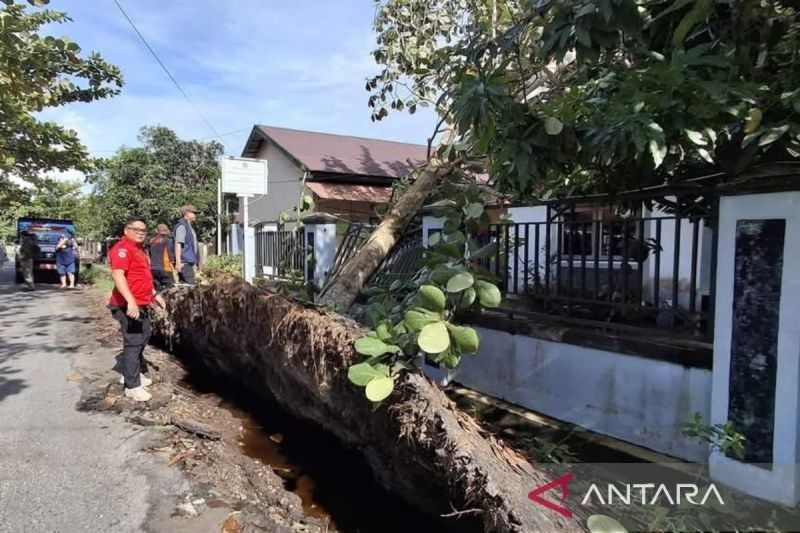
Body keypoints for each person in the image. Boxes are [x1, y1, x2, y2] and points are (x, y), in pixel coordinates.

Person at [108, 215, 164, 402]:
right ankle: (131, 386)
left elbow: (143, 276)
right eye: (136, 229)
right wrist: (130, 301)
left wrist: (155, 295)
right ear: (126, 230)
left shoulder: (139, 250)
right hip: (127, 305)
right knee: (133, 342)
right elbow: (118, 276)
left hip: (142, 302)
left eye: (143, 230)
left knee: (144, 337)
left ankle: (131, 373)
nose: (140, 233)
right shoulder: (122, 249)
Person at [174, 204, 199, 286]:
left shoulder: (188, 226)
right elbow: (178, 244)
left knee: (185, 288)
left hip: (187, 263)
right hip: (184, 263)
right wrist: (178, 263)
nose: (196, 215)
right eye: (194, 213)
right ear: (186, 213)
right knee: (191, 287)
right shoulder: (182, 227)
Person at [148, 224, 176, 291]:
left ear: (156, 230)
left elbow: (149, 254)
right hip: (165, 268)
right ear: (167, 231)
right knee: (170, 290)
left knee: (157, 291)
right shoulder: (168, 240)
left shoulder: (151, 241)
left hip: (153, 269)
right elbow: (170, 254)